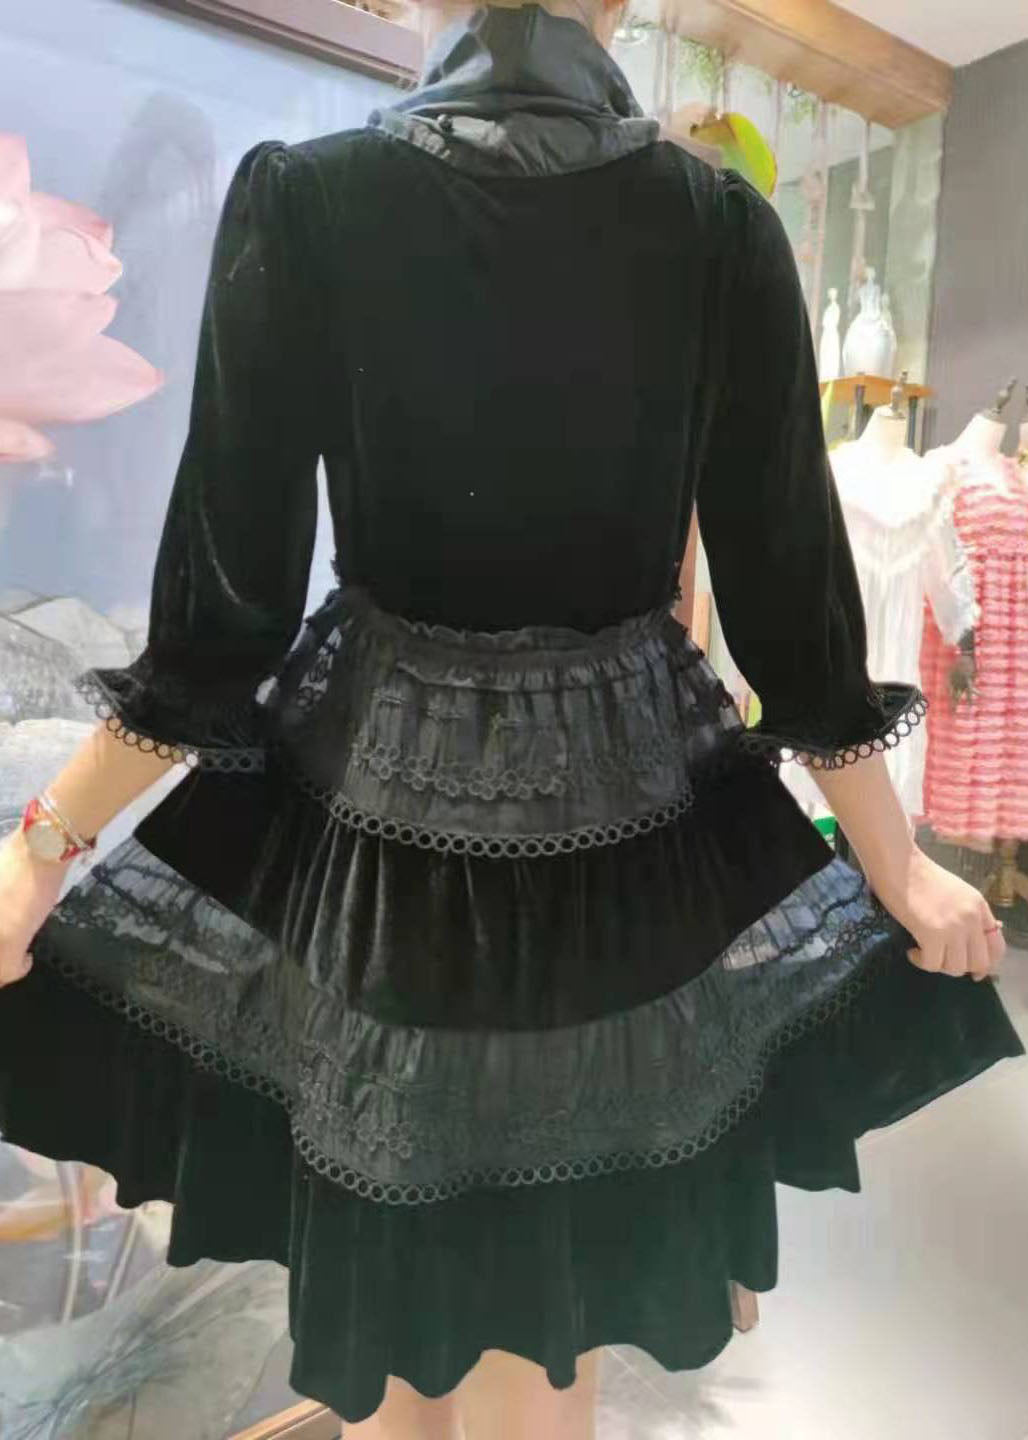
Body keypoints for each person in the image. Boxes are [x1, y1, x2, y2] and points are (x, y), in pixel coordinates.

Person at [0, 1, 1020, 1435]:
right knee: (548, 1325)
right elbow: (791, 595)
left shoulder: (309, 202)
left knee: (397, 1310)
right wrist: (894, 862)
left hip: (382, 818)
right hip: (620, 820)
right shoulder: (716, 227)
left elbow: (223, 618)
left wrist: (41, 850)